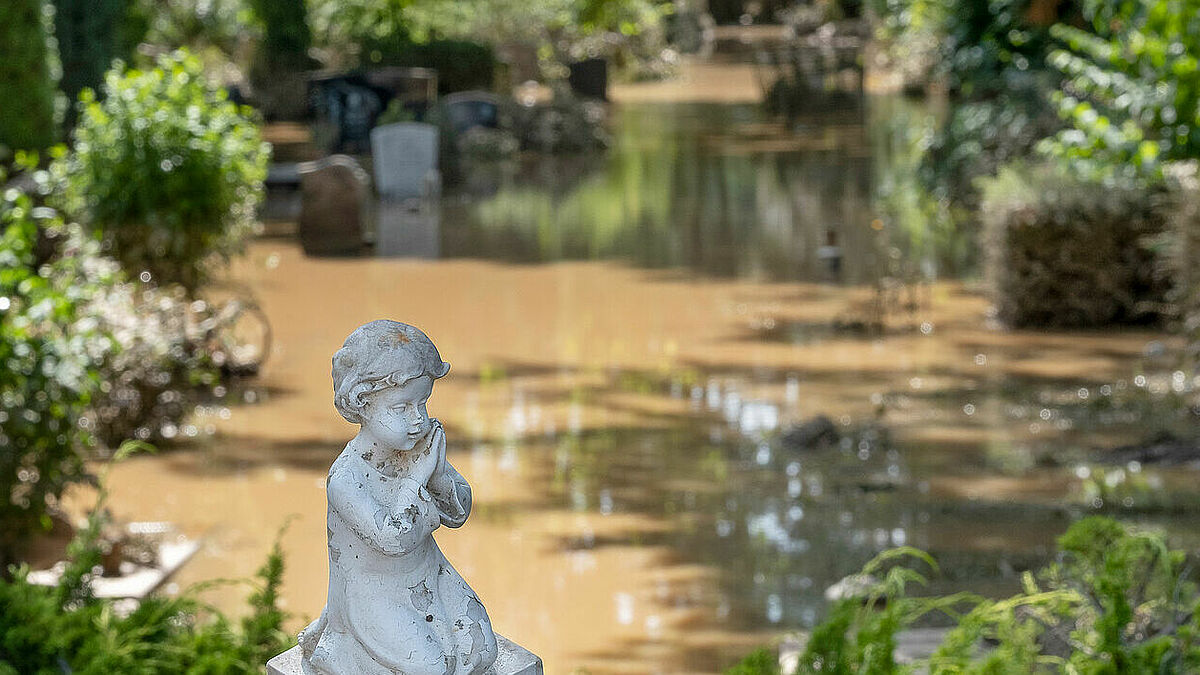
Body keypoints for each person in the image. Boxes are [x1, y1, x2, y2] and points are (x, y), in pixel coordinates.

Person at [299, 320, 498, 674]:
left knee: (480, 651)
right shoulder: (345, 478)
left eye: (423, 403)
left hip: (429, 574)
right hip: (372, 593)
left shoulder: (416, 448)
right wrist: (417, 477)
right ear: (362, 403)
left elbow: (458, 513)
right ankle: (339, 647)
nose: (418, 419)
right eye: (401, 408)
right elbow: (394, 538)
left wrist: (437, 474)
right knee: (431, 669)